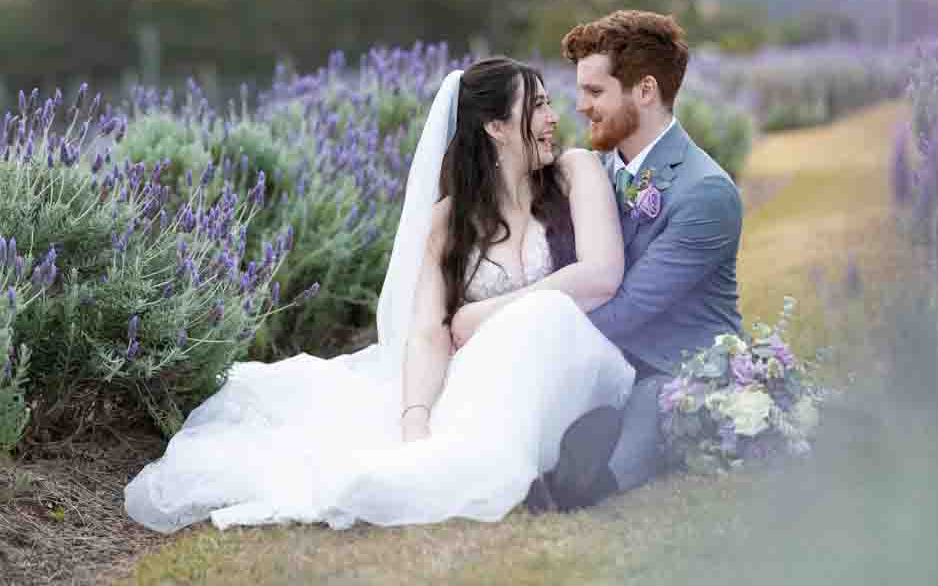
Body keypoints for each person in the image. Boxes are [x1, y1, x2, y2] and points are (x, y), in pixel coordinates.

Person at [124, 57, 635, 533]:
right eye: (539, 106)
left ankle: (549, 469)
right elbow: (429, 332)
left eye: (549, 103)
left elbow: (601, 275)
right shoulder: (450, 219)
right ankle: (536, 476)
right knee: (397, 445)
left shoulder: (574, 171)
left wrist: (483, 314)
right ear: (496, 127)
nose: (553, 117)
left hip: (573, 360)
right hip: (485, 377)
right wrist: (415, 418)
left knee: (543, 316)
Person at [550, 10, 744, 506]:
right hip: (606, 359)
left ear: (645, 91)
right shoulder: (592, 170)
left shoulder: (706, 192)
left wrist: (531, 340)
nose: (581, 106)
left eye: (595, 93)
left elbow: (631, 309)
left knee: (592, 481)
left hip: (671, 370)